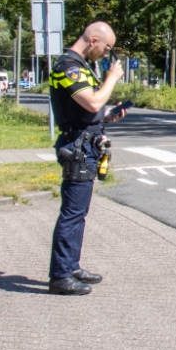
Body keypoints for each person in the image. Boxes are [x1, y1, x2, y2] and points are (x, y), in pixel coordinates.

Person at [48, 22, 128, 295]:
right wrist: (112, 79)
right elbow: (93, 102)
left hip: (87, 144)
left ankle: (70, 266)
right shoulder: (68, 67)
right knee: (72, 213)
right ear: (93, 40)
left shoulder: (80, 66)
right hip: (78, 147)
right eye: (106, 48)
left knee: (79, 212)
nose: (106, 55)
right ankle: (60, 276)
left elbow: (88, 110)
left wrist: (107, 117)